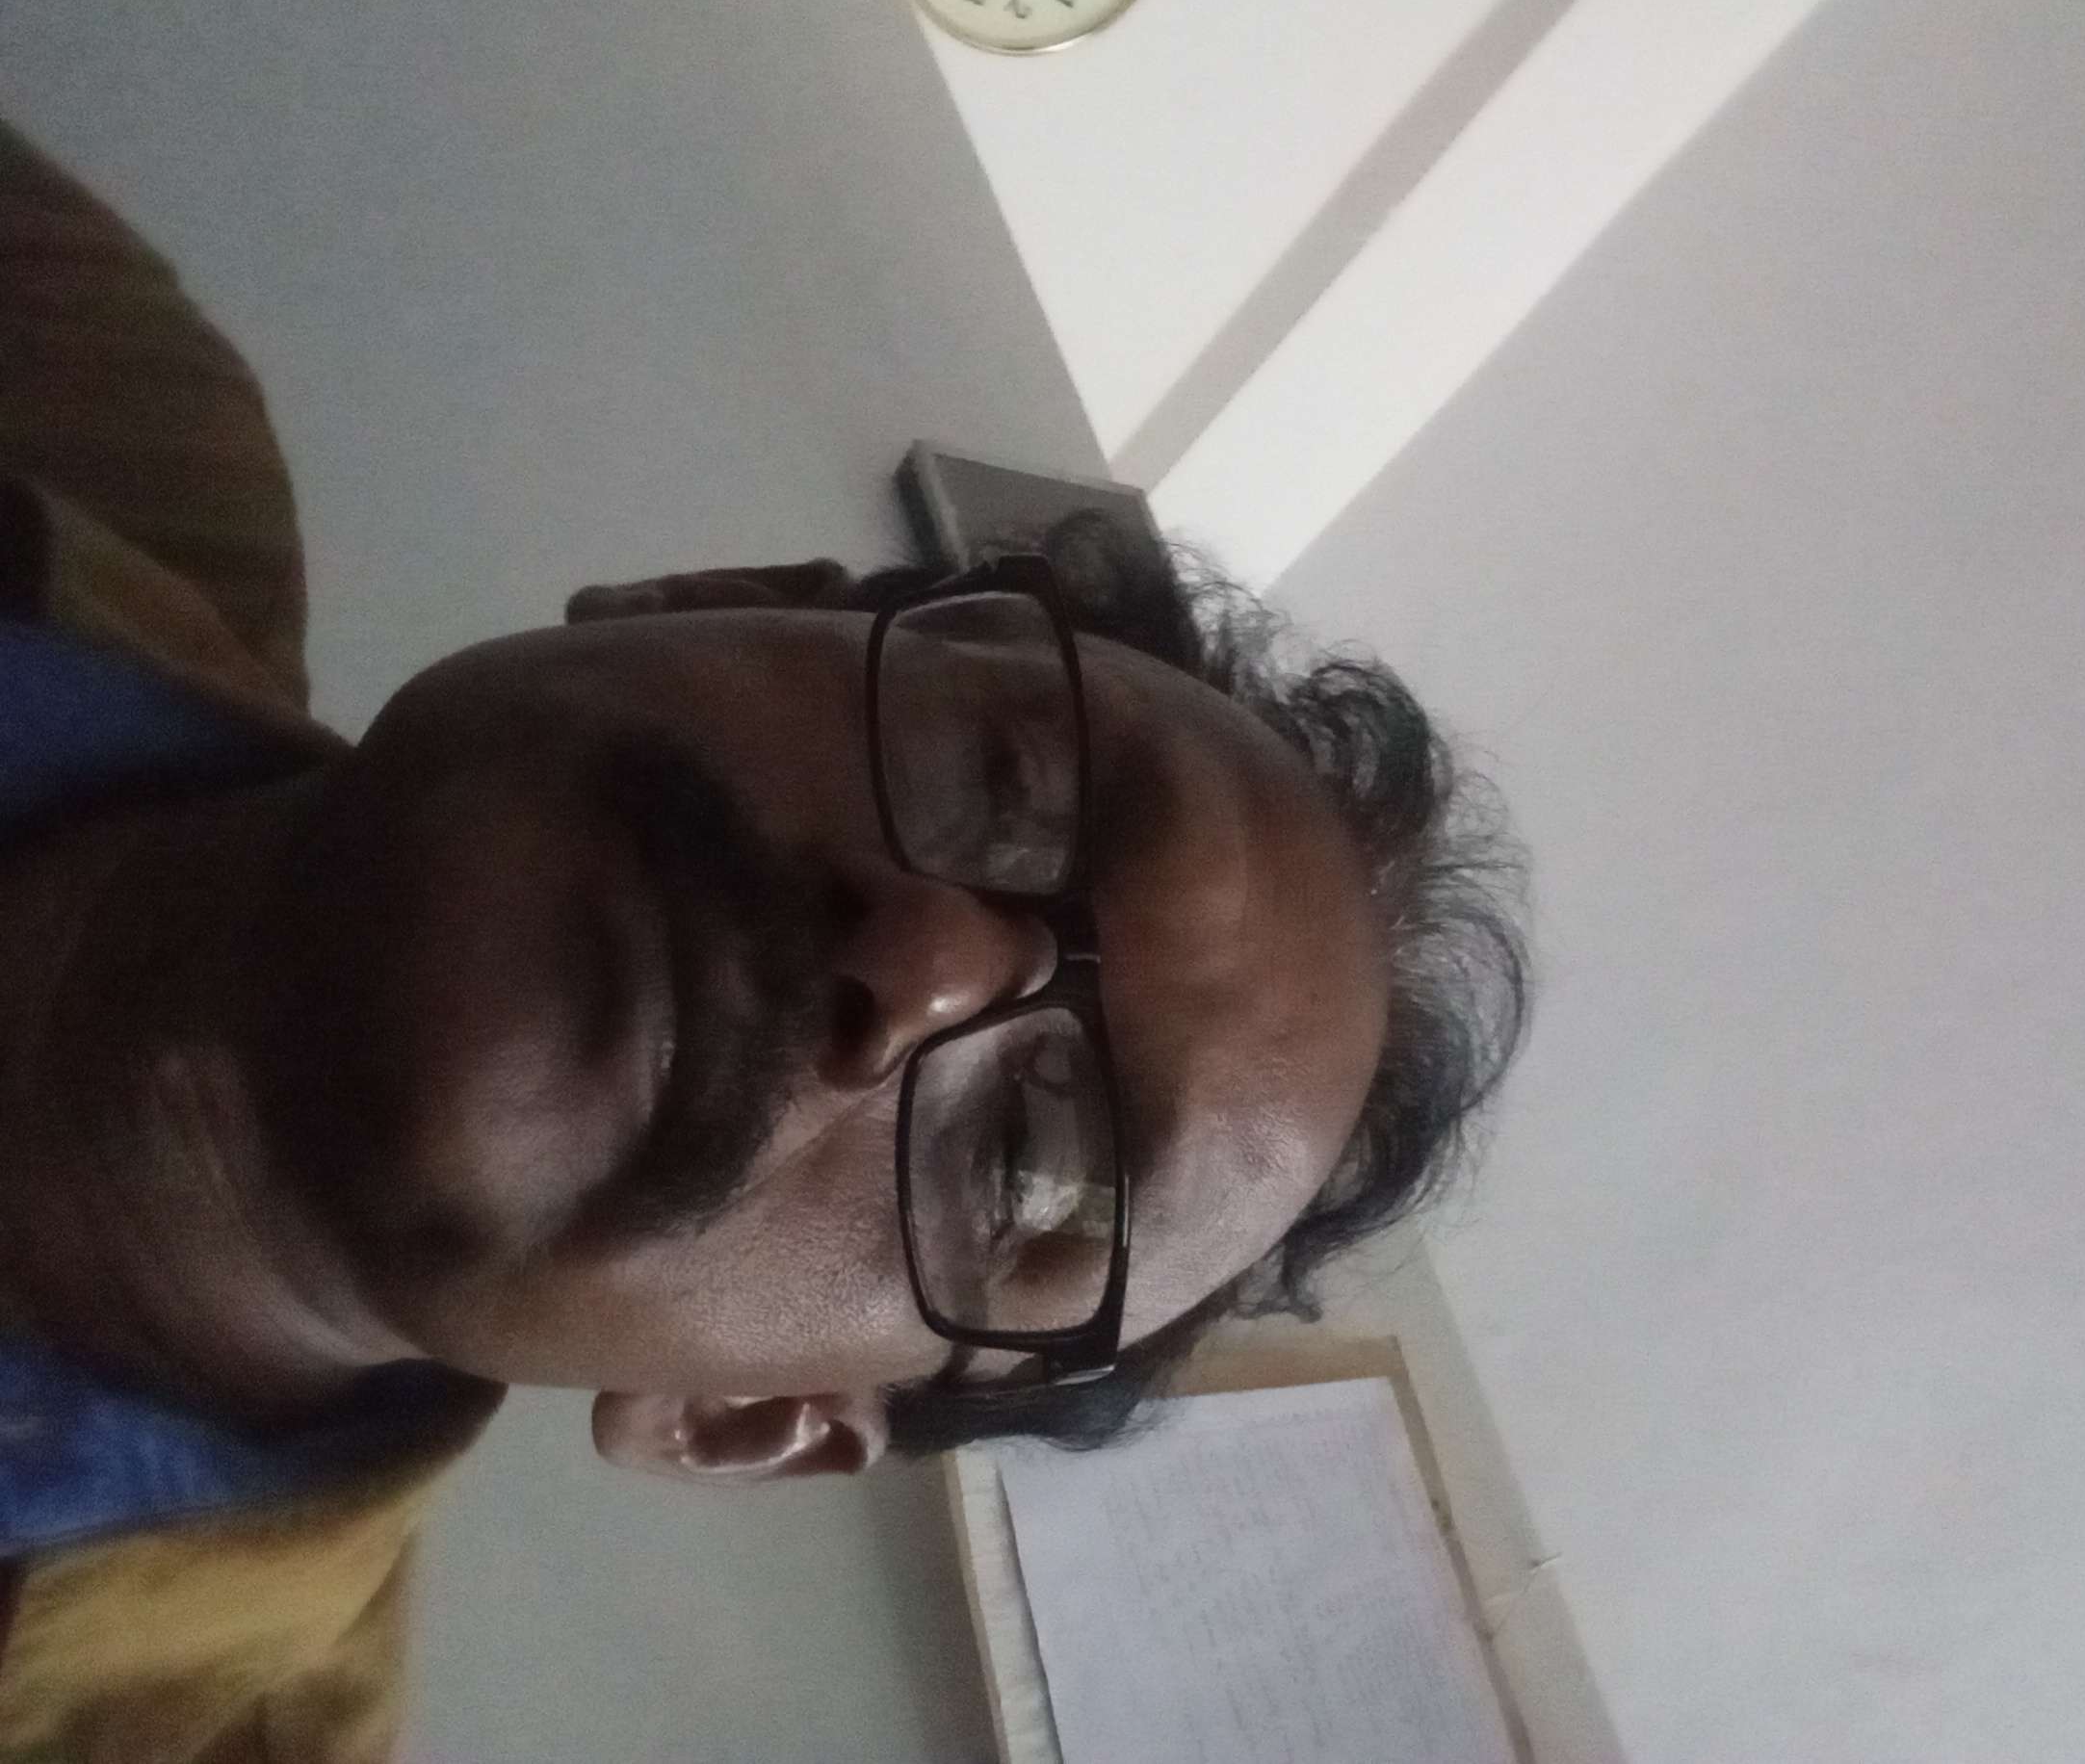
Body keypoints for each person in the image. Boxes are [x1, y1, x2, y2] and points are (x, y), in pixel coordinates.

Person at [0, 119, 1527, 1760]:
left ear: (753, 1424)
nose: (928, 961)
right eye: (1000, 778)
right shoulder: (91, 383)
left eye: (1027, 1163)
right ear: (703, 594)